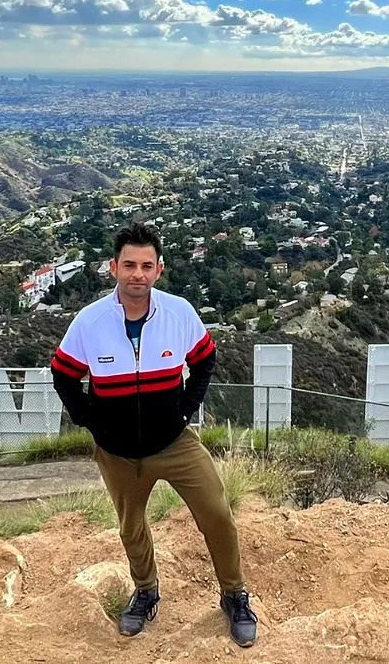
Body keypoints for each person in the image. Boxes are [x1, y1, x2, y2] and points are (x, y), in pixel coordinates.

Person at [51, 221, 258, 647]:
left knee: (217, 513)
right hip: (118, 451)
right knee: (131, 527)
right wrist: (90, 420)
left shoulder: (179, 313)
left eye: (147, 266)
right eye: (129, 265)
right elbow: (63, 374)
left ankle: (234, 595)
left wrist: (184, 411)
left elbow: (204, 360)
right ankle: (146, 591)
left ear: (159, 270)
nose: (138, 275)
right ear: (113, 268)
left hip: (174, 442)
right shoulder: (90, 322)